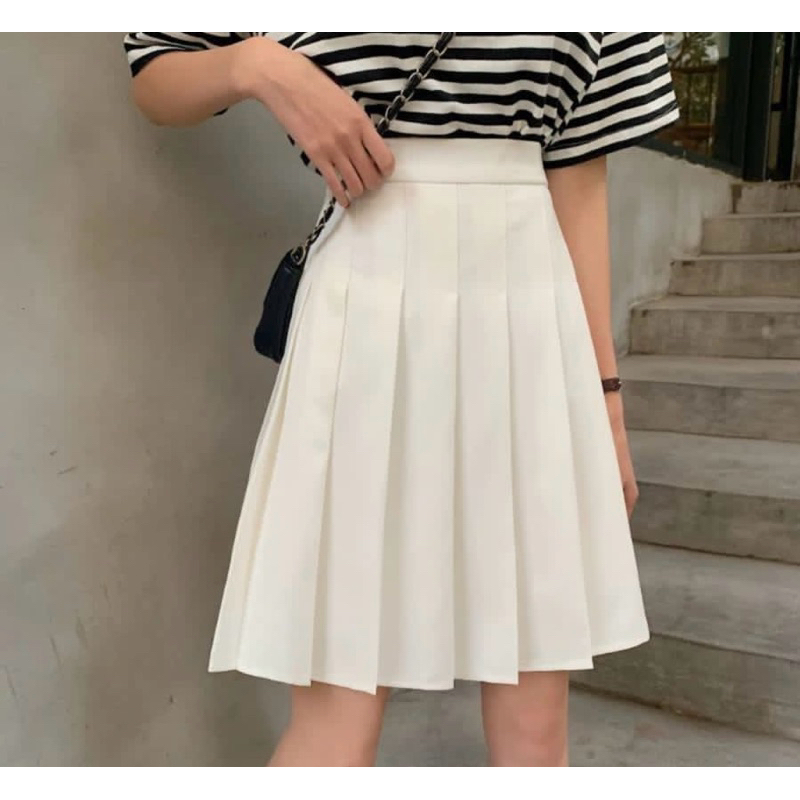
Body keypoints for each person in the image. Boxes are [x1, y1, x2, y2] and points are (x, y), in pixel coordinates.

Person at [124, 32, 680, 767]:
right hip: (369, 294)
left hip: (528, 306)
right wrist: (257, 64)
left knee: (536, 723)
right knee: (338, 715)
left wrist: (606, 404)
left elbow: (579, 172)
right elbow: (156, 75)